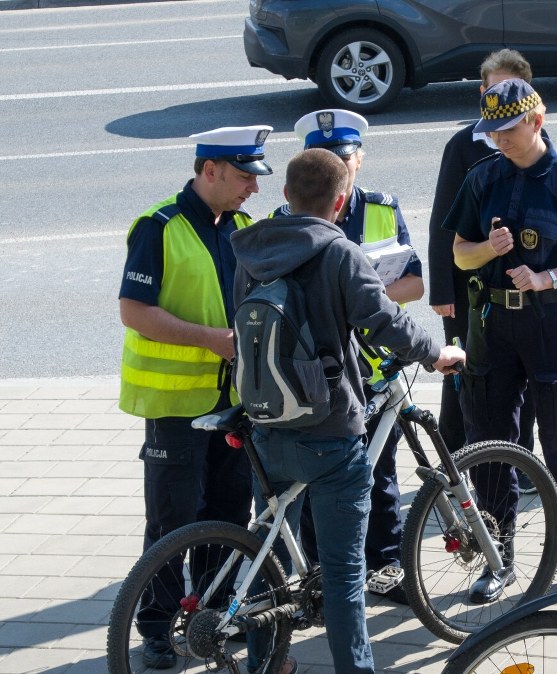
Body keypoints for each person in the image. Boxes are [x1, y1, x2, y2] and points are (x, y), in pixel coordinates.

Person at [231, 148, 465, 674]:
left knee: (268, 557)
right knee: (342, 574)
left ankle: (266, 662)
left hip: (266, 423)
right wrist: (436, 353)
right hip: (328, 430)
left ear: (285, 195)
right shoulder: (339, 252)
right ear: (340, 202)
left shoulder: (252, 251)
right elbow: (384, 322)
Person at [442, 78, 557, 602]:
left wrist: (547, 277)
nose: (499, 140)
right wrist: (488, 250)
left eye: (508, 130)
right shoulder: (482, 176)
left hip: (552, 321)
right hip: (492, 322)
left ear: (537, 121)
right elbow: (460, 254)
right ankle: (500, 557)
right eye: (492, 131)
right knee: (492, 441)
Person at [118, 125, 272, 670]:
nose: (254, 187)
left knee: (228, 515)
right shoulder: (159, 226)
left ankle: (212, 618)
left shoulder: (244, 227)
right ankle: (157, 629)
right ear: (210, 171)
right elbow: (134, 311)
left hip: (234, 403)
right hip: (175, 406)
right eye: (245, 176)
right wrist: (210, 339)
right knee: (172, 523)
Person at [277, 108, 423, 604]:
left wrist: (364, 296)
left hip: (375, 367)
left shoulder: (382, 208)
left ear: (360, 158)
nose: (341, 166)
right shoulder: (286, 218)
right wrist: (351, 297)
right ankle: (321, 572)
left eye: (347, 157)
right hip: (317, 373)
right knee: (318, 480)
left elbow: (415, 283)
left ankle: (384, 565)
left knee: (380, 473)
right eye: (329, 158)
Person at [427, 49, 541, 460]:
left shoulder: (536, 141)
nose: (501, 99)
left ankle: (520, 455)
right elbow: (443, 222)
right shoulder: (464, 144)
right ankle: (453, 456)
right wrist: (442, 289)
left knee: (519, 376)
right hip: (467, 285)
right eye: (494, 89)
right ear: (481, 93)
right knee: (463, 372)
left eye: (511, 90)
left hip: (519, 286)